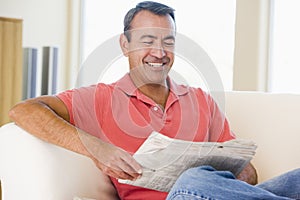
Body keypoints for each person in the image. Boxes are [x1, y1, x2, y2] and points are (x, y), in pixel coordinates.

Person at [9, 1, 300, 200]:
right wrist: (95, 148)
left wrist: (238, 172)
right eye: (147, 41)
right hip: (182, 194)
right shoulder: (99, 99)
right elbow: (24, 110)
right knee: (191, 181)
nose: (159, 52)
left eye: (168, 42)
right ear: (125, 45)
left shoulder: (201, 101)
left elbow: (248, 175)